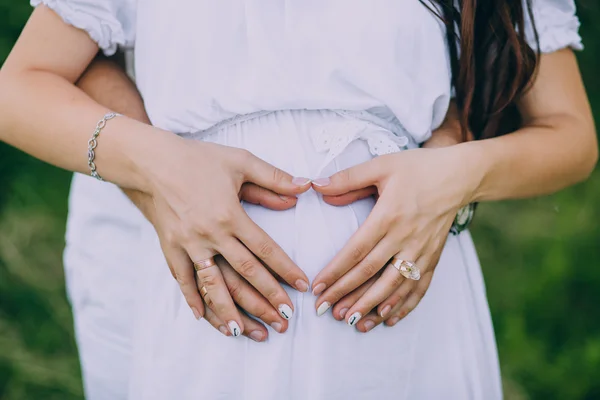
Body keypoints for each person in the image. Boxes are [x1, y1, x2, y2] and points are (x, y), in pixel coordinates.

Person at [0, 1, 595, 399]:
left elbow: (569, 133)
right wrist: (164, 169)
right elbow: (20, 86)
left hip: (402, 306)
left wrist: (454, 175)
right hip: (217, 302)